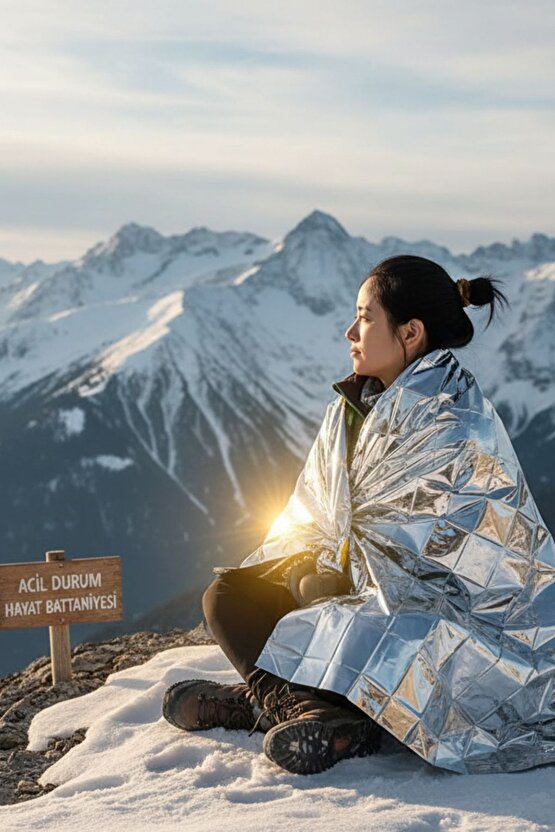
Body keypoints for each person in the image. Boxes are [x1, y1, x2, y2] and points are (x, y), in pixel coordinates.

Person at [163, 255, 553, 776]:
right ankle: (298, 706)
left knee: (365, 628)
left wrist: (339, 584)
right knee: (228, 596)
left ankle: (276, 700)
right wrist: (311, 568)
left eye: (366, 318)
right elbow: (316, 511)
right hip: (346, 591)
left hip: (439, 620)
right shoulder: (351, 407)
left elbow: (451, 568)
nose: (350, 332)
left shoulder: (455, 422)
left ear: (410, 333)